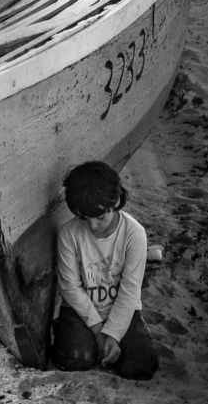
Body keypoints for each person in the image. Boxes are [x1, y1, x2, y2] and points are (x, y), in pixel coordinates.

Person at [51, 161, 158, 381]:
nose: (93, 226)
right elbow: (70, 287)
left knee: (141, 366)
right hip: (81, 311)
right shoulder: (68, 234)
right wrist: (99, 331)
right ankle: (66, 331)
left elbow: (130, 291)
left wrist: (114, 334)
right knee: (77, 359)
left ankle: (130, 337)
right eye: (84, 218)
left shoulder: (134, 233)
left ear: (116, 201)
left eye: (100, 216)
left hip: (121, 309)